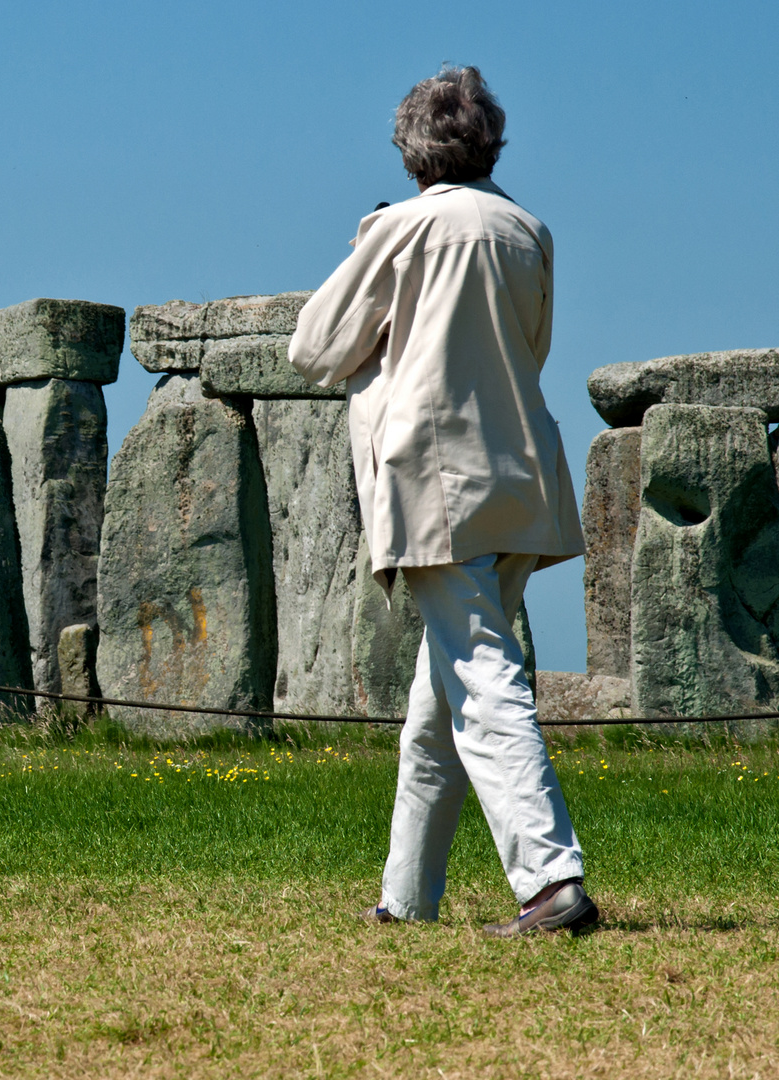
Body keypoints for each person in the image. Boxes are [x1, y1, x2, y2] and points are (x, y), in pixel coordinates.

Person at [288, 66, 596, 937]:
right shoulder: (525, 229)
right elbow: (531, 346)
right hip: (520, 475)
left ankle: (547, 881)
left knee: (481, 678)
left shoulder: (401, 230)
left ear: (412, 148)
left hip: (434, 480)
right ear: (490, 140)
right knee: (438, 704)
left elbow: (311, 346)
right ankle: (406, 899)